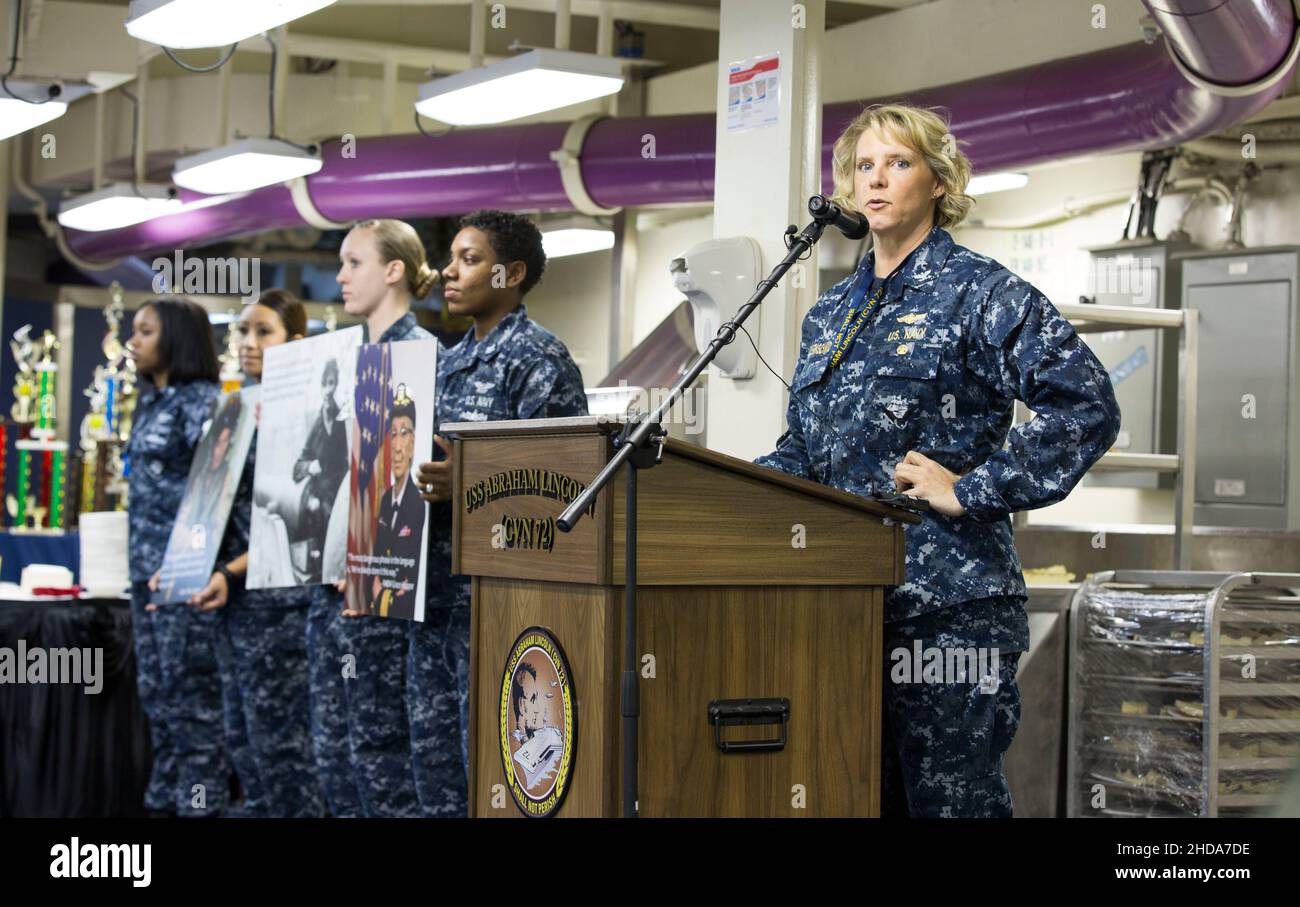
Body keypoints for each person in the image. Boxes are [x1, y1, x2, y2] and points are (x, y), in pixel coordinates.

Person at [753, 104, 1121, 817]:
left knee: (952, 806)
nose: (876, 180)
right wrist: (726, 491)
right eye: (864, 165)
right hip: (844, 605)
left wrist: (976, 487)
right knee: (857, 798)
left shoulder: (980, 292)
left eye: (898, 163)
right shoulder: (831, 314)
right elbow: (805, 445)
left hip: (950, 611)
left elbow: (1087, 405)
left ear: (938, 181)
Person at [412, 210, 588, 817]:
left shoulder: (540, 360)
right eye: (451, 257)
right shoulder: (443, 362)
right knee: (434, 769)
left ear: (509, 273)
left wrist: (470, 481)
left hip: (499, 608)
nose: (449, 272)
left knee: (492, 773)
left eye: (468, 259)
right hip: (431, 597)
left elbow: (569, 489)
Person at [307, 217, 439, 818]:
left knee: (384, 761)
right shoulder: (352, 362)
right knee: (339, 760)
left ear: (393, 271)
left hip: (386, 599)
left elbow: (414, 487)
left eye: (354, 262)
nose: (340, 275)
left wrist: (369, 564)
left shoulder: (421, 359)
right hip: (338, 589)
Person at [185, 289, 325, 818]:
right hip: (232, 603)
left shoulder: (305, 413)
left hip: (279, 605)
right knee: (243, 745)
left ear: (295, 339)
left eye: (263, 331)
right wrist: (186, 568)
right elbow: (209, 505)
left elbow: (295, 518)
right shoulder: (235, 405)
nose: (247, 342)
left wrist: (228, 571)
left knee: (284, 753)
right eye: (242, 330)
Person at [126, 297, 230, 817]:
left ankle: (198, 809)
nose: (134, 341)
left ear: (176, 339)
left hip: (182, 580)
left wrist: (185, 568)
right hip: (144, 577)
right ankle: (161, 807)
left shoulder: (201, 402)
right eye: (134, 331)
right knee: (158, 704)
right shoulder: (150, 400)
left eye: (145, 331)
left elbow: (215, 492)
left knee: (194, 715)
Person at [370, 387, 425, 620]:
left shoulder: (420, 502)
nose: (398, 445)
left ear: (413, 442)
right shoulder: (384, 500)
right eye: (393, 434)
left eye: (405, 433)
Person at [293, 358, 348, 582]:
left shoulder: (345, 418)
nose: (327, 389)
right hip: (316, 502)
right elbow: (297, 467)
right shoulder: (317, 423)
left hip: (340, 499)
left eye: (332, 383)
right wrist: (310, 467)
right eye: (324, 384)